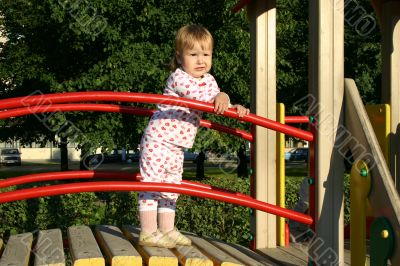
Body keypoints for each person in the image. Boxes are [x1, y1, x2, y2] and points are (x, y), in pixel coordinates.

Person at [138, 24, 250, 248]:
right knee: (152, 183)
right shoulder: (178, 78)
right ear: (180, 58)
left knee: (172, 185)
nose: (201, 60)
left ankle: (167, 229)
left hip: (177, 145)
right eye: (193, 54)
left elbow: (214, 99)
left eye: (206, 54)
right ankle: (148, 231)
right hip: (159, 139)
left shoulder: (209, 80)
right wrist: (222, 97)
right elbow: (202, 99)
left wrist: (231, 103)